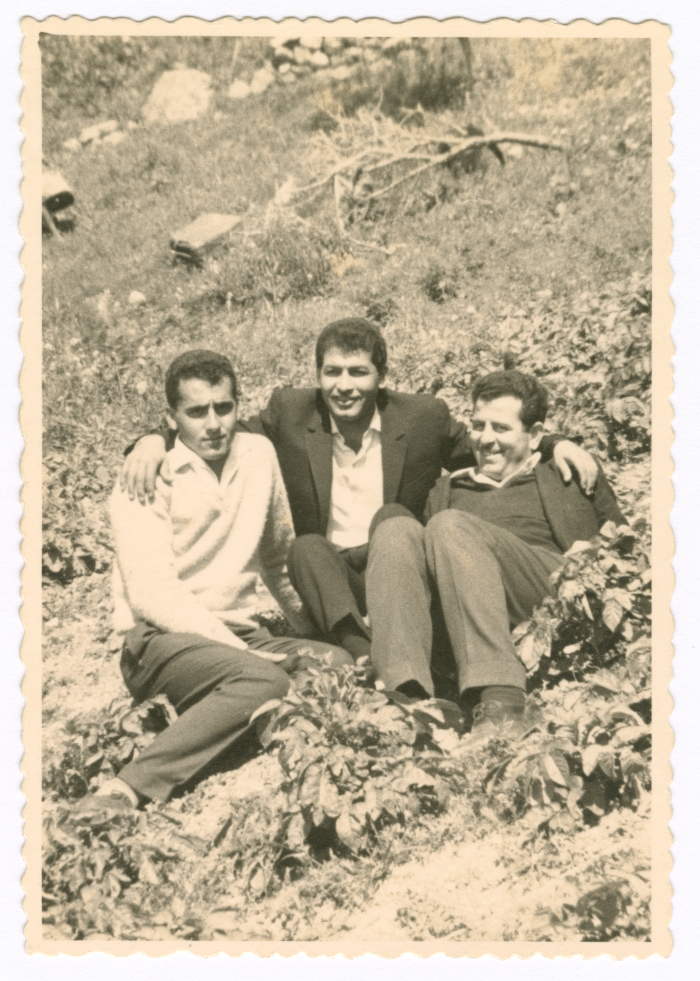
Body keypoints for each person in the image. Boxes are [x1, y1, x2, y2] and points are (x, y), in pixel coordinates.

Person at [120, 319, 598, 667]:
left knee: (391, 515)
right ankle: (367, 656)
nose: (343, 386)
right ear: (317, 375)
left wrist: (554, 441)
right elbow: (213, 427)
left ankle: (408, 650)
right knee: (305, 548)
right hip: (330, 572)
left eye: (358, 372)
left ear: (381, 377)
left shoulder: (422, 418)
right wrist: (149, 440)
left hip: (400, 559)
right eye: (332, 372)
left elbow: (485, 443)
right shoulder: (289, 413)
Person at [100, 349, 351, 809]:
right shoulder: (144, 477)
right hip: (161, 643)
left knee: (336, 665)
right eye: (196, 412)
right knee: (264, 681)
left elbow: (278, 558)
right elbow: (153, 594)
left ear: (239, 404)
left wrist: (310, 637)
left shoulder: (258, 454)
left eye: (224, 407)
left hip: (243, 636)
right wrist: (246, 656)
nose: (213, 423)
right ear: (171, 418)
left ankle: (217, 720)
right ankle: (128, 787)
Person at [365, 369, 625, 734]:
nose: (486, 439)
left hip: (546, 583)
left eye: (501, 428)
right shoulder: (446, 489)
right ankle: (406, 699)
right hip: (469, 591)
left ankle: (503, 701)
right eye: (478, 426)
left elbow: (623, 545)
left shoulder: (563, 471)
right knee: (394, 527)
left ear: (535, 435)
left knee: (449, 525)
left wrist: (559, 444)